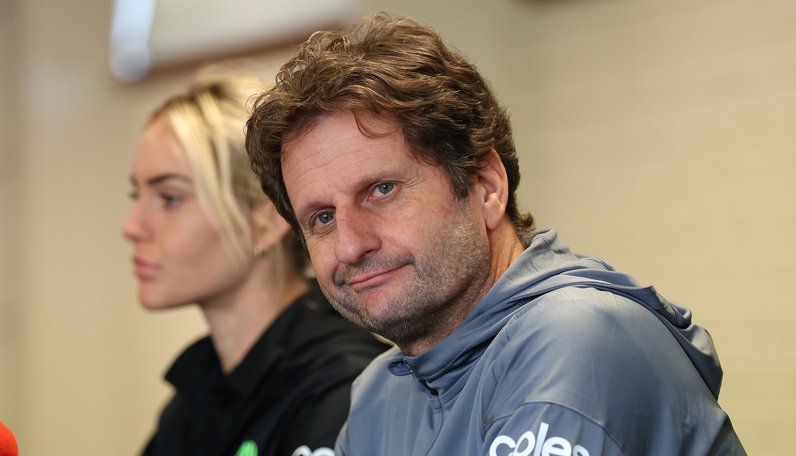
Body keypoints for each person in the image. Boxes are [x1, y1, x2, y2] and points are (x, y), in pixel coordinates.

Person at [244, 13, 747, 456]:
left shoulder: (578, 338)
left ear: (486, 187)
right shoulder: (379, 395)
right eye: (322, 218)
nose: (352, 245)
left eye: (382, 190)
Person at [123, 70, 389, 456]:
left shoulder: (341, 386)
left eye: (169, 198)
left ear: (265, 222)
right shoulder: (200, 390)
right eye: (137, 195)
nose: (132, 227)